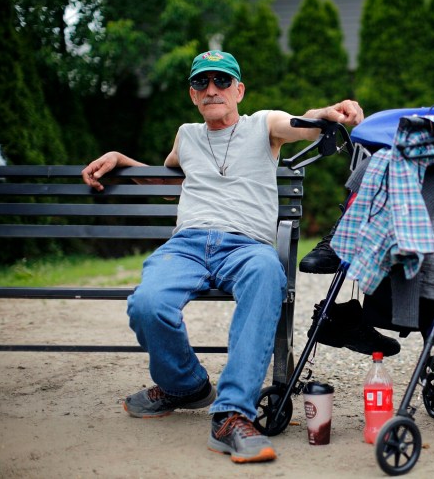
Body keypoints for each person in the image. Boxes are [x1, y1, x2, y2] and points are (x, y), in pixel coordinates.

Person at [81, 50, 370, 464]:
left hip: (246, 246)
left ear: (239, 89)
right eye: (202, 83)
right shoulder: (187, 135)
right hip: (188, 246)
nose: (212, 89)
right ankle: (186, 386)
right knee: (147, 304)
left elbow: (302, 124)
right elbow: (169, 183)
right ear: (192, 94)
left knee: (268, 274)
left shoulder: (263, 125)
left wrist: (329, 113)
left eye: (221, 81)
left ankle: (232, 413)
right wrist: (121, 160)